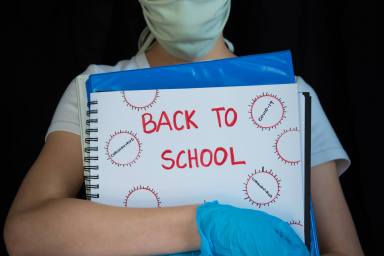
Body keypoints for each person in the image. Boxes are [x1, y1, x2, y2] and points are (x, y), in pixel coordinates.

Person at [4, 0, 364, 255]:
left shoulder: (288, 93)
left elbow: (344, 249)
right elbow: (26, 233)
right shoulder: (96, 89)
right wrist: (205, 225)